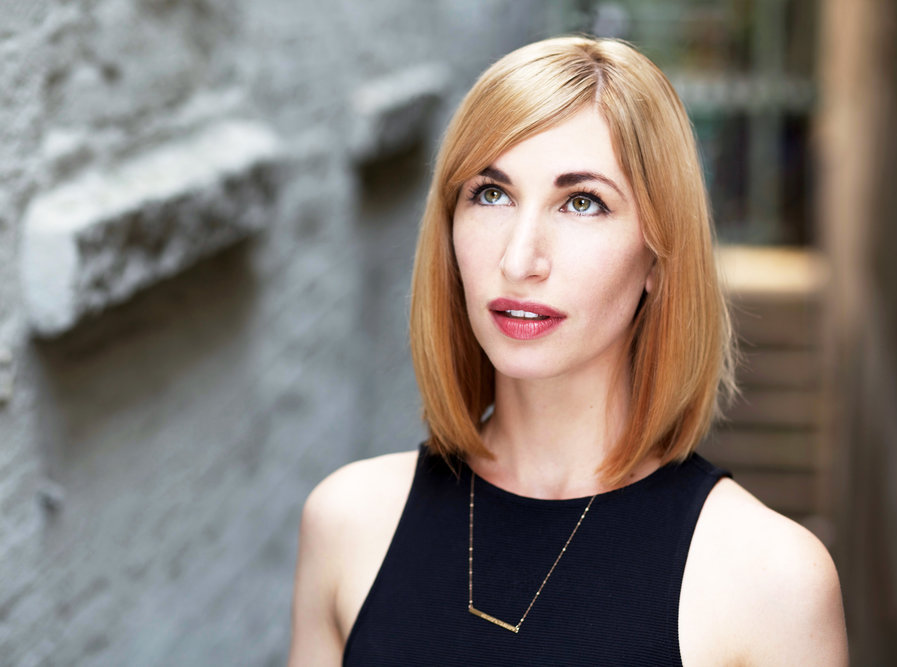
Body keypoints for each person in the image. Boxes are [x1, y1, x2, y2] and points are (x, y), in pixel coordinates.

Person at [289, 36, 847, 665]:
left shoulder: (771, 585)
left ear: (658, 259)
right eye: (491, 194)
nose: (519, 259)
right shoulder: (347, 525)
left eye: (582, 203)